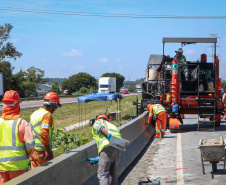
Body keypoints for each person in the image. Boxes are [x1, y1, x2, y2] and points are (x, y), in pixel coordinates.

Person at [0, 90, 34, 184]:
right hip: (19, 167)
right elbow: (30, 145)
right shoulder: (22, 123)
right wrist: (27, 155)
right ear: (17, 105)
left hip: (2, 168)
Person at [30, 92, 61, 169]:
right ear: (52, 106)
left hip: (33, 151)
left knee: (34, 177)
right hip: (42, 152)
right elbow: (44, 133)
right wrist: (48, 151)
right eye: (56, 107)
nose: (55, 110)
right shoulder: (47, 115)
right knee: (45, 177)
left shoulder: (34, 113)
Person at [88, 114, 122, 185]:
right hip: (118, 147)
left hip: (107, 147)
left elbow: (99, 127)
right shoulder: (113, 126)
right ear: (107, 120)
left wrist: (107, 135)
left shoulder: (99, 121)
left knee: (103, 174)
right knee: (114, 173)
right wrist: (100, 158)